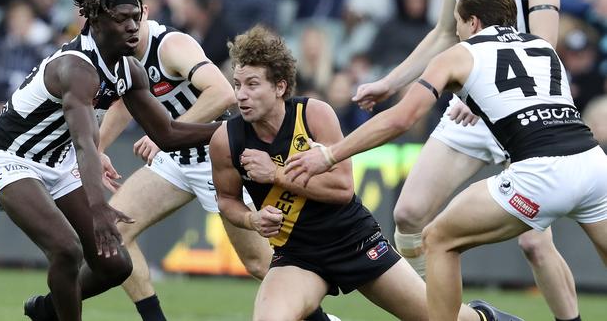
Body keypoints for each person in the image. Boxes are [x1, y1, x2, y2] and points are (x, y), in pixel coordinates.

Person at [284, 0, 607, 321]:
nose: (457, 31)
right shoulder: (544, 49)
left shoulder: (460, 54)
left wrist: (331, 154)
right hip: (594, 165)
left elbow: (401, 119)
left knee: (438, 239)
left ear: (473, 21)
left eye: (457, 23)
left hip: (541, 174)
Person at [210, 24, 521, 321]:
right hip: (297, 255)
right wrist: (251, 219)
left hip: (354, 242)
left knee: (441, 318)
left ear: (279, 87)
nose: (241, 95)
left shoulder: (313, 115)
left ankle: (484, 316)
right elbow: (226, 200)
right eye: (237, 85)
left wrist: (276, 175)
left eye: (252, 85)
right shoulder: (227, 140)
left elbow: (342, 189)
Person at [0, 0, 219, 321]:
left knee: (115, 265)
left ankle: (49, 309)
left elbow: (167, 132)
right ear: (94, 20)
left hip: (56, 162)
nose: (133, 27)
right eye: (122, 19)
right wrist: (97, 206)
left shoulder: (129, 69)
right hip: (11, 159)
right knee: (65, 250)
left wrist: (233, 132)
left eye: (137, 17)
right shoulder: (76, 68)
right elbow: (86, 144)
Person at [352, 0, 582, 320]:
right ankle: (453, 315)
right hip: (471, 105)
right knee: (409, 215)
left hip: (524, 107)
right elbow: (445, 33)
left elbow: (544, 44)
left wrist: (490, 88)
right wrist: (391, 82)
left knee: (534, 243)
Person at [95, 8, 335, 321]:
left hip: (215, 156)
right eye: (115, 19)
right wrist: (97, 148)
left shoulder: (171, 45)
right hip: (176, 160)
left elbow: (223, 93)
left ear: (145, 13)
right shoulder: (123, 56)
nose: (125, 26)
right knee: (115, 234)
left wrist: (165, 133)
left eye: (131, 16)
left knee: (261, 264)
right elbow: (127, 101)